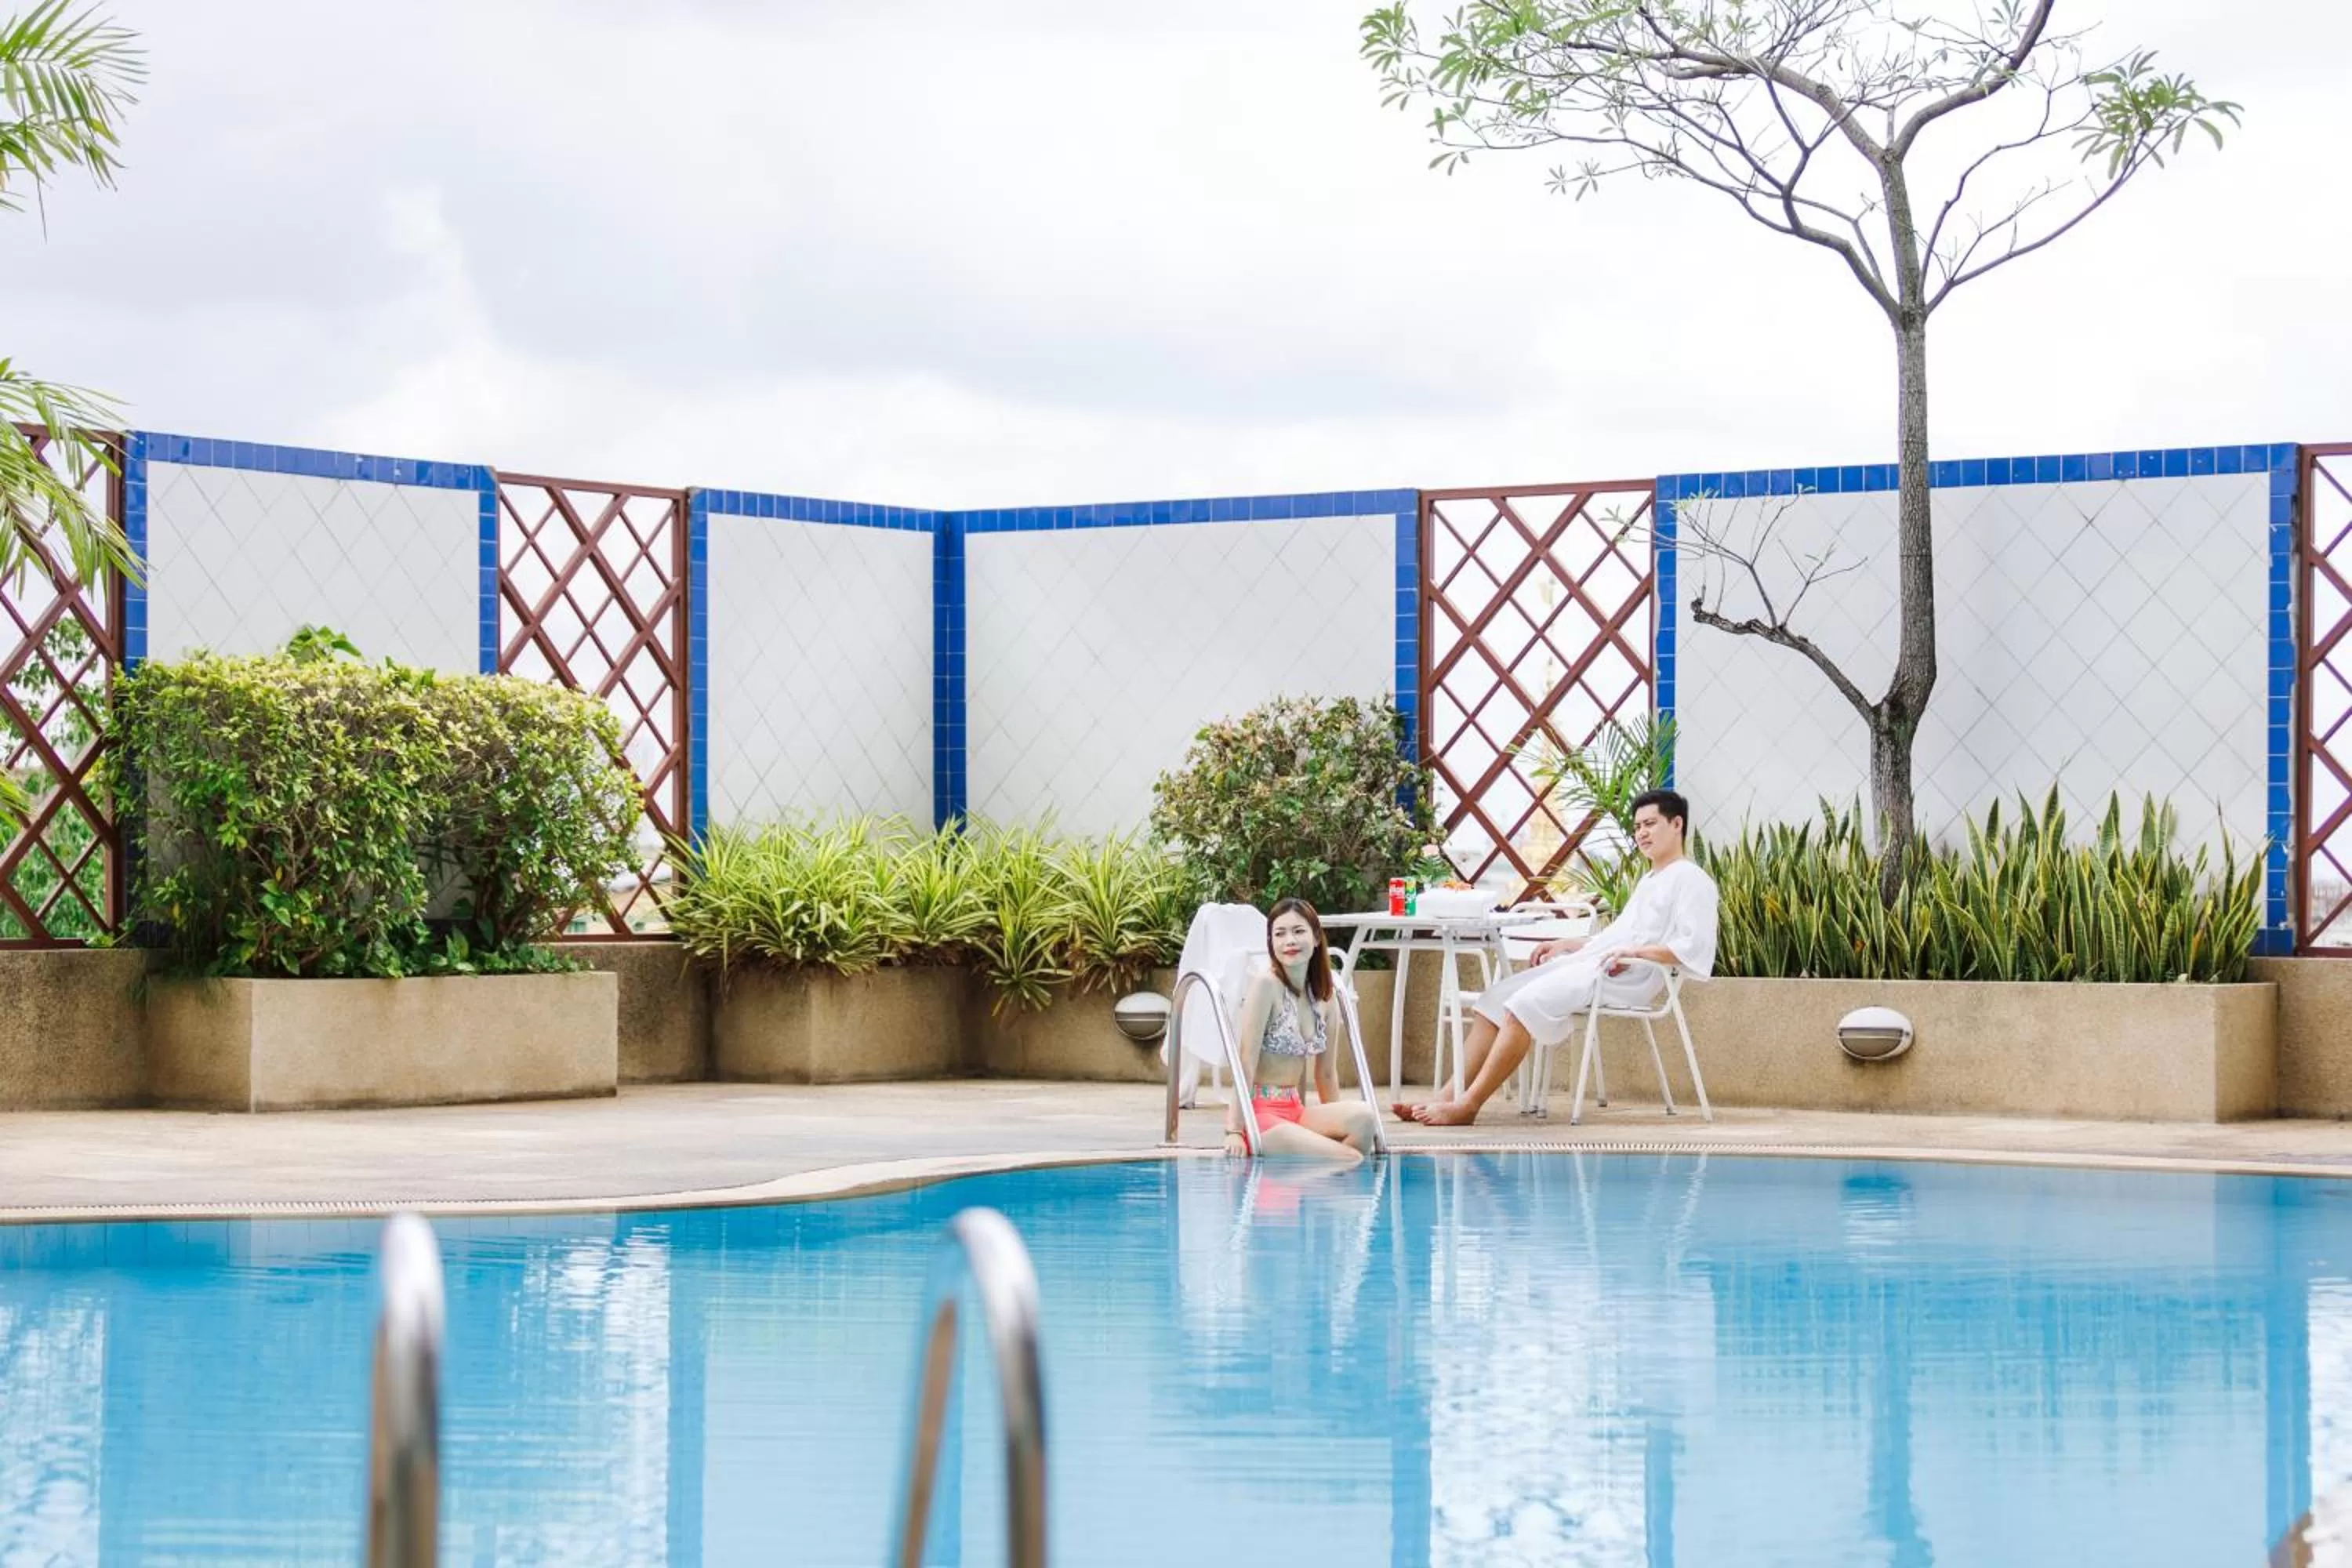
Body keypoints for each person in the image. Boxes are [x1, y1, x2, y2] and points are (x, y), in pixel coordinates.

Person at [1395, 788, 1717, 1128]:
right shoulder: (1650, 880)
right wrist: (1565, 944)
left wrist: (1635, 953)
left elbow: (1691, 947)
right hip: (1600, 965)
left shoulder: (1692, 880)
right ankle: (1445, 1097)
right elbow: (1614, 937)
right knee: (1493, 1001)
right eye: (1637, 827)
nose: (1642, 833)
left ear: (1677, 823)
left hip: (1630, 977)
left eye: (1650, 824)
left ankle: (1469, 1105)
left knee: (1521, 1006)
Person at [1224, 897, 1382, 1163]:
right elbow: (1246, 1062)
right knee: (1350, 1158)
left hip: (1296, 1109)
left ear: (1317, 938)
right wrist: (1234, 1130)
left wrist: (1335, 1128)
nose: (1290, 941)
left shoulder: (1325, 996)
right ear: (1271, 943)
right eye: (1280, 934)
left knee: (1364, 1119)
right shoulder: (1266, 986)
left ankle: (1325, 1187)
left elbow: (1327, 1073)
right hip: (1261, 1115)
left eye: (1299, 931)